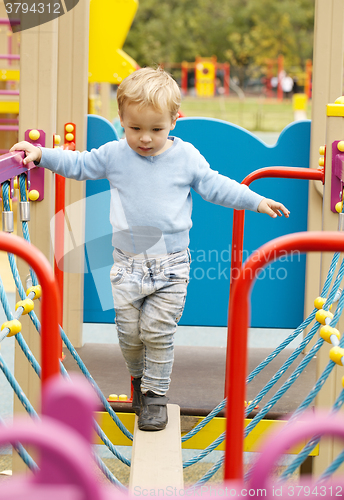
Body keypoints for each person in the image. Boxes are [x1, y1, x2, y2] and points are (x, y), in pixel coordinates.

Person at [10, 67, 290, 432]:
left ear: (175, 119)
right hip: (126, 264)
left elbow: (215, 186)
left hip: (172, 266)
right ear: (122, 121)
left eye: (156, 130)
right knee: (129, 335)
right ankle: (140, 379)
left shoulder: (186, 157)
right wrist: (41, 154)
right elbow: (78, 164)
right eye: (134, 129)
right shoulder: (114, 154)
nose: (144, 139)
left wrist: (254, 200)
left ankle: (156, 395)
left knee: (157, 331)